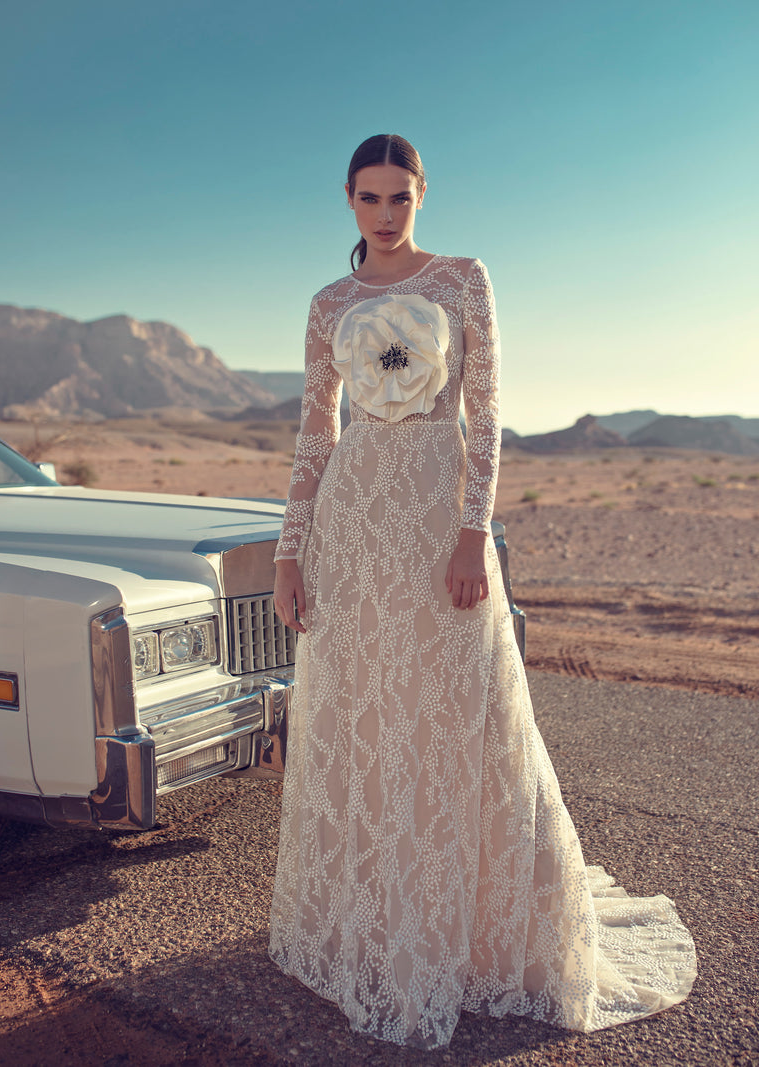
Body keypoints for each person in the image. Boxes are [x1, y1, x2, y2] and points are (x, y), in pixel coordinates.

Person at [270, 134, 696, 1049]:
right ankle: (375, 922)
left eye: (400, 198)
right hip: (354, 526)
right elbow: (315, 435)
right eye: (368, 199)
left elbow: (489, 414)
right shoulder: (326, 305)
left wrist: (475, 535)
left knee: (462, 714)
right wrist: (288, 555)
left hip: (435, 515)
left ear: (422, 196)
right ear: (347, 200)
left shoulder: (463, 279)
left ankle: (481, 936)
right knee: (367, 716)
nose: (385, 215)